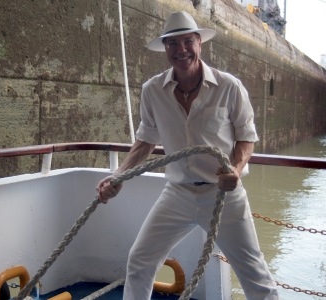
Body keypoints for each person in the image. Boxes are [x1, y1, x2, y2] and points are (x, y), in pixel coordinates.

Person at [96, 11, 279, 300]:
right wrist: (119, 176)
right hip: (177, 192)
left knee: (253, 271)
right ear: (165, 49)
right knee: (140, 260)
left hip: (224, 194)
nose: (181, 50)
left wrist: (235, 168)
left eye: (187, 41)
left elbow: (246, 137)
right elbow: (145, 140)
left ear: (199, 43)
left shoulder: (229, 86)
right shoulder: (152, 90)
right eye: (172, 44)